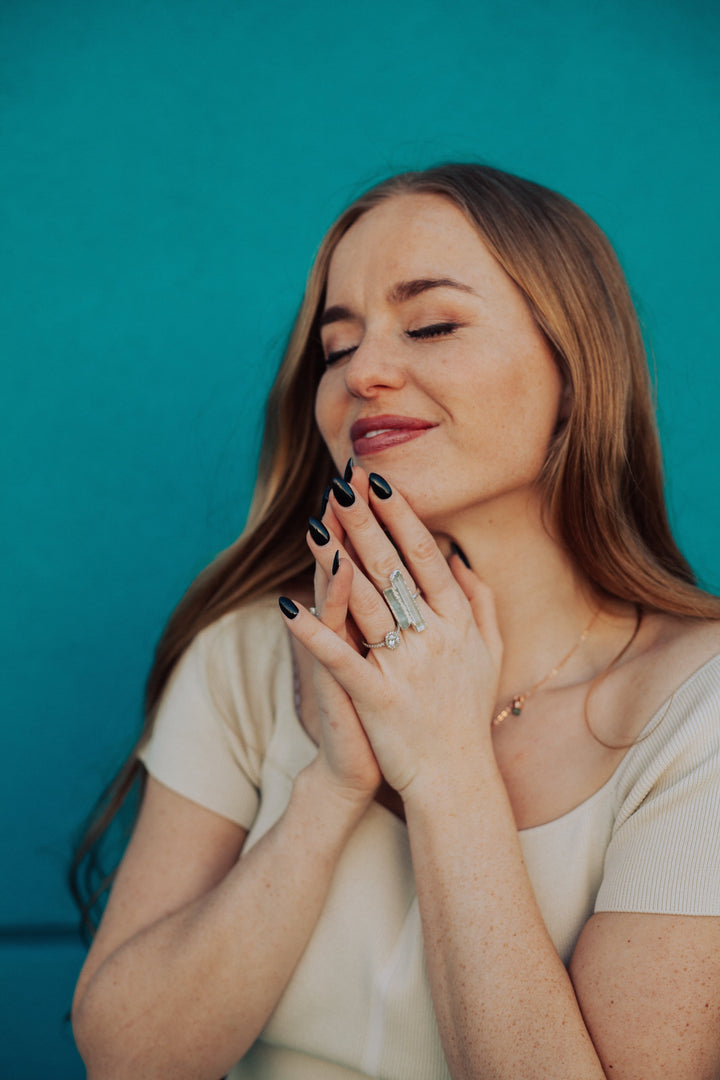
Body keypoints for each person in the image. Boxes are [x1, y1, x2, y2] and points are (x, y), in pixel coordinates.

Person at [71, 164, 720, 1080]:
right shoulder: (251, 656)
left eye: (432, 325)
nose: (363, 374)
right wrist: (330, 787)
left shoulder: (701, 712)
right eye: (338, 348)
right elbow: (126, 1057)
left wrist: (448, 767)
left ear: (577, 374)